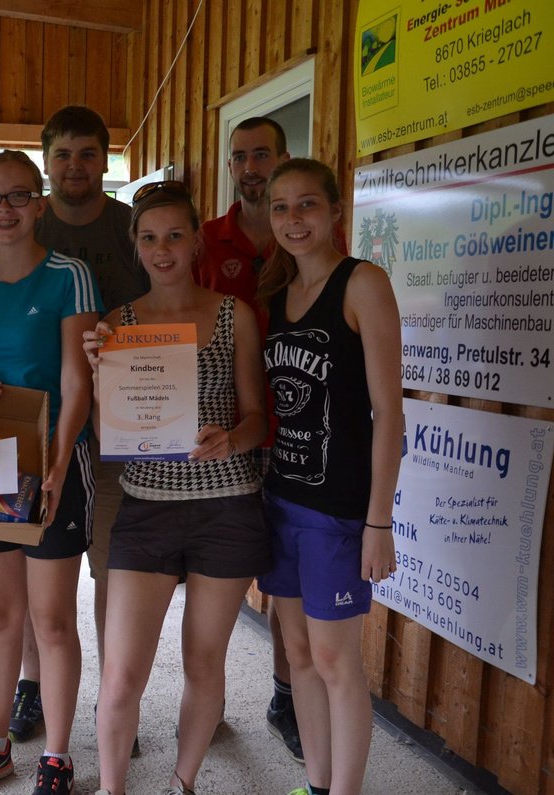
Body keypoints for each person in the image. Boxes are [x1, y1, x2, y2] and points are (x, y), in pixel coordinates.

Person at [84, 182, 270, 795]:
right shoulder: (118, 324)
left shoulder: (233, 314)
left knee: (204, 662)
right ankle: (112, 787)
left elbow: (257, 418)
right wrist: (99, 374)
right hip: (147, 506)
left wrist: (231, 440)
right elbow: (108, 429)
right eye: (148, 238)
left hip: (226, 505)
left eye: (173, 236)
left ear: (195, 243)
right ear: (135, 247)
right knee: (121, 675)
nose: (161, 249)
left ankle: (181, 783)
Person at [0, 105, 146, 748]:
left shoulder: (130, 229)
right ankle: (31, 685)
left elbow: (164, 305)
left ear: (105, 160)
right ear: (47, 168)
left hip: (124, 421)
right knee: (26, 570)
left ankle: (110, 701)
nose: (76, 166)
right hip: (31, 434)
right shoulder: (5, 234)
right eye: (63, 155)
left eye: (88, 153)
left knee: (108, 569)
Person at [0, 150, 99, 795]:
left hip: (54, 456)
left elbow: (77, 380)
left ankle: (56, 756)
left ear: (39, 203)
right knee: (1, 615)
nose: (2, 209)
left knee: (53, 619)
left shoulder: (69, 276)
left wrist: (58, 463)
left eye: (17, 196)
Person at [255, 158, 403, 795]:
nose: (293, 218)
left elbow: (389, 411)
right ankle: (317, 785)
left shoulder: (362, 283)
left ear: (336, 210)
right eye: (281, 207)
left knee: (337, 661)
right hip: (281, 499)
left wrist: (379, 522)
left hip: (338, 509)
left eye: (307, 204)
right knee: (299, 654)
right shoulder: (276, 295)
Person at [194, 116, 303, 763]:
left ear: (284, 157)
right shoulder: (207, 240)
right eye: (239, 157)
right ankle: (207, 700)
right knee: (215, 578)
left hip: (298, 435)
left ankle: (285, 695)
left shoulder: (310, 235)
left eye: (262, 154)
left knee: (286, 580)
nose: (250, 167)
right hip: (220, 438)